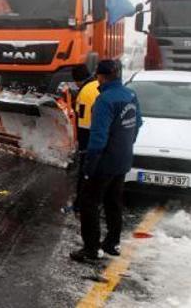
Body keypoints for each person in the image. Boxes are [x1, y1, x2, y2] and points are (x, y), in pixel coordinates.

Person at [70, 60, 142, 263]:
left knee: (89, 203)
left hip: (104, 162)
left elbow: (98, 138)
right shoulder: (130, 95)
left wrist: (89, 166)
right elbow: (138, 123)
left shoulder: (104, 100)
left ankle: (91, 249)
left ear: (100, 76)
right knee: (113, 202)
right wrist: (125, 145)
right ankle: (112, 242)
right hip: (123, 160)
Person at [70, 65, 100, 213]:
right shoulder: (98, 84)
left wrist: (81, 146)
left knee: (84, 173)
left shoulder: (85, 93)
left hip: (89, 138)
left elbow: (83, 122)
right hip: (104, 137)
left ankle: (79, 205)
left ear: (77, 81)